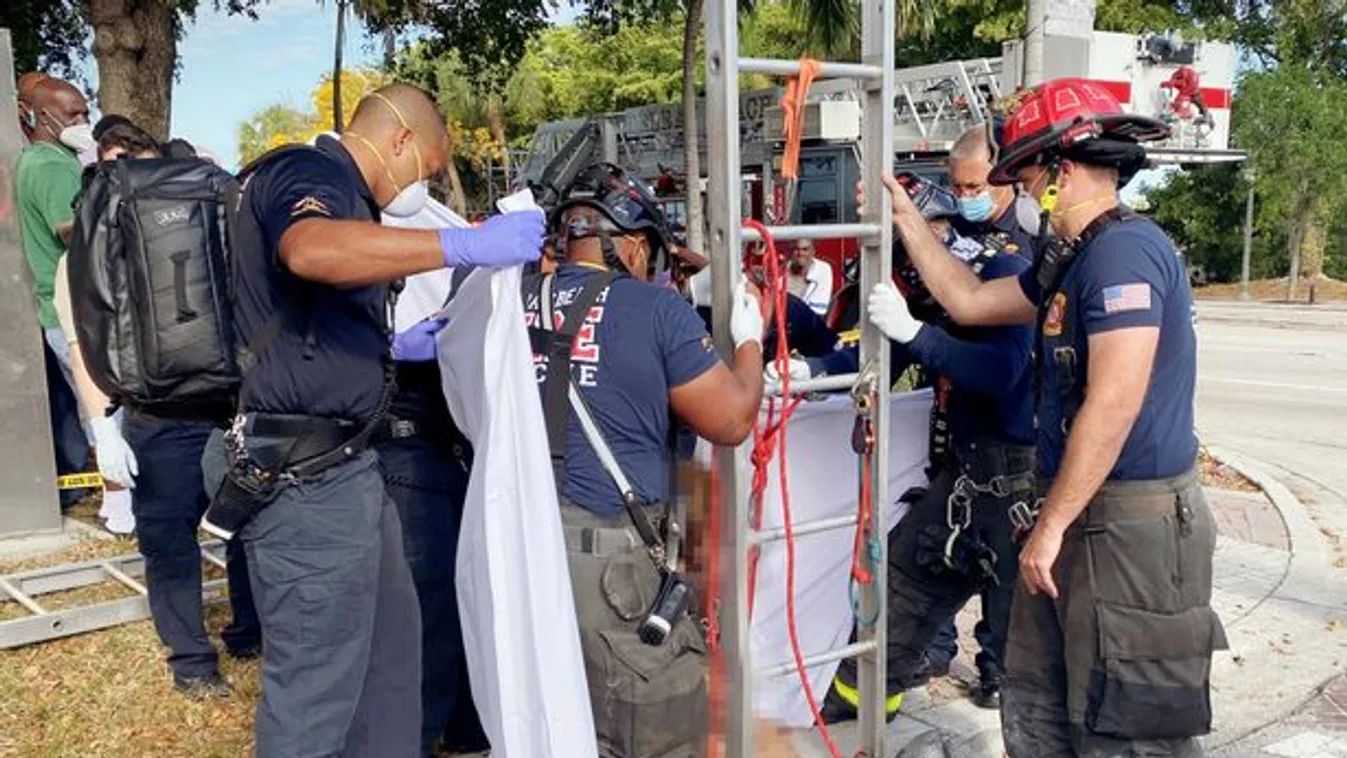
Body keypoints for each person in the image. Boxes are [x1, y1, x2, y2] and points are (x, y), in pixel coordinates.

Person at [858, 78, 1226, 757]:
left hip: (1131, 529)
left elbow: (1114, 400)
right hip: (1076, 507)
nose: (1020, 193)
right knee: (1041, 694)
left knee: (1128, 720)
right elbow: (969, 301)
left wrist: (1049, 525)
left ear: (1061, 168)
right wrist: (908, 220)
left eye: (1024, 176)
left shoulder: (1124, 251)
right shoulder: (1069, 260)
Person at [202, 83, 544, 758]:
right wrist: (461, 246)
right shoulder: (306, 171)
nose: (420, 188)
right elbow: (312, 252)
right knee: (315, 691)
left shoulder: (345, 191)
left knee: (392, 660)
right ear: (399, 141)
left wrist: (395, 346)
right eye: (425, 169)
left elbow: (305, 322)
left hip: (348, 467)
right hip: (301, 476)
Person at [525, 162, 765, 757]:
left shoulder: (513, 299)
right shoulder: (655, 311)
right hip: (611, 569)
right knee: (662, 721)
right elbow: (731, 420)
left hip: (526, 549)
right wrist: (750, 341)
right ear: (633, 245)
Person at [811, 182, 1032, 722]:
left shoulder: (999, 273)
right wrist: (811, 372)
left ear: (936, 233)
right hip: (962, 475)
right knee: (900, 595)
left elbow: (1003, 373)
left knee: (1022, 643)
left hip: (1016, 482)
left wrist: (917, 334)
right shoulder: (930, 294)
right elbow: (875, 357)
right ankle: (860, 700)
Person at [60, 118, 263, 694]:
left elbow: (86, 340)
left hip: (161, 412)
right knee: (239, 525)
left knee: (172, 542)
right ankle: (243, 635)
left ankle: (196, 662)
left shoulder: (95, 231)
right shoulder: (211, 199)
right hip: (228, 402)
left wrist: (105, 429)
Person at [379, 291, 485, 756]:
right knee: (428, 615)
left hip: (446, 451)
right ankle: (418, 738)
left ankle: (464, 732)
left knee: (458, 603)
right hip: (409, 448)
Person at [15, 75, 97, 507]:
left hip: (63, 309)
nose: (83, 120)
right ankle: (122, 507)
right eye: (74, 114)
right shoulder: (49, 166)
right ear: (42, 116)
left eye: (86, 111)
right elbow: (68, 229)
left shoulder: (51, 160)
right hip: (70, 311)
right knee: (100, 407)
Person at [786, 238, 834, 315]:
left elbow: (819, 310)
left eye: (805, 249)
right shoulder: (781, 273)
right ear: (790, 251)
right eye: (796, 249)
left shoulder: (823, 269)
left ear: (813, 251)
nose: (800, 253)